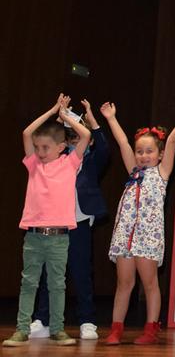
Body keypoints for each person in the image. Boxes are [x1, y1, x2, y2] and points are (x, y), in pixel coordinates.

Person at [102, 98, 175, 345]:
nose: (143, 156)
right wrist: (111, 118)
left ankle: (151, 328)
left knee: (150, 283)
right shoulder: (133, 172)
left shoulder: (162, 173)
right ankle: (116, 328)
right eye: (140, 151)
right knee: (124, 283)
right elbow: (122, 142)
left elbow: (174, 140)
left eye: (149, 151)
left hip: (148, 237)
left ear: (160, 154)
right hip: (125, 235)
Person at [3, 94, 91, 347]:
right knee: (28, 283)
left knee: (57, 285)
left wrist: (64, 118)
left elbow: (84, 136)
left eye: (45, 148)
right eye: (37, 147)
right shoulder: (33, 166)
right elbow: (26, 132)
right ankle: (22, 329)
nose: (39, 152)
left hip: (58, 238)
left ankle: (58, 328)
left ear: (61, 147)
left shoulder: (69, 164)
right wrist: (52, 109)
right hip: (32, 235)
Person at [30, 99, 109, 341]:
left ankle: (87, 320)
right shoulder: (57, 161)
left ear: (88, 142)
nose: (76, 145)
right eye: (71, 141)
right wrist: (59, 116)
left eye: (80, 141)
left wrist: (92, 122)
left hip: (80, 225)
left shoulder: (91, 163)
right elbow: (51, 139)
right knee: (50, 273)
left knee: (81, 272)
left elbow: (105, 148)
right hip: (55, 225)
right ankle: (42, 320)